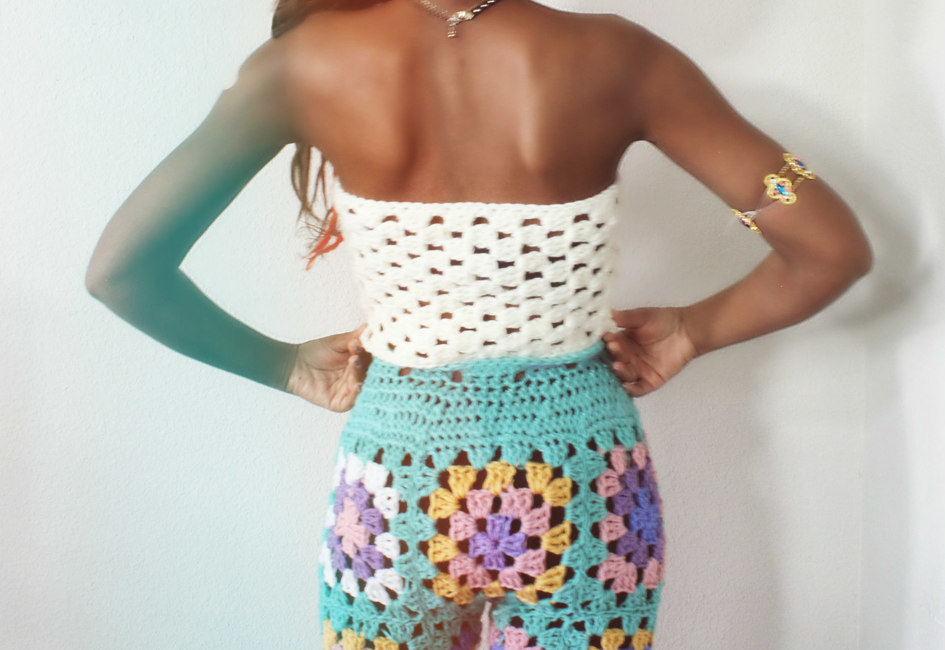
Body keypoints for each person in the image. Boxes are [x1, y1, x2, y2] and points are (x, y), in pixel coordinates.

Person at [84, 0, 873, 648]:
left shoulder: (300, 65)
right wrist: (692, 328)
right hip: (583, 483)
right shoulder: (623, 57)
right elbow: (825, 244)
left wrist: (287, 367)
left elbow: (120, 271)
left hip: (396, 484)